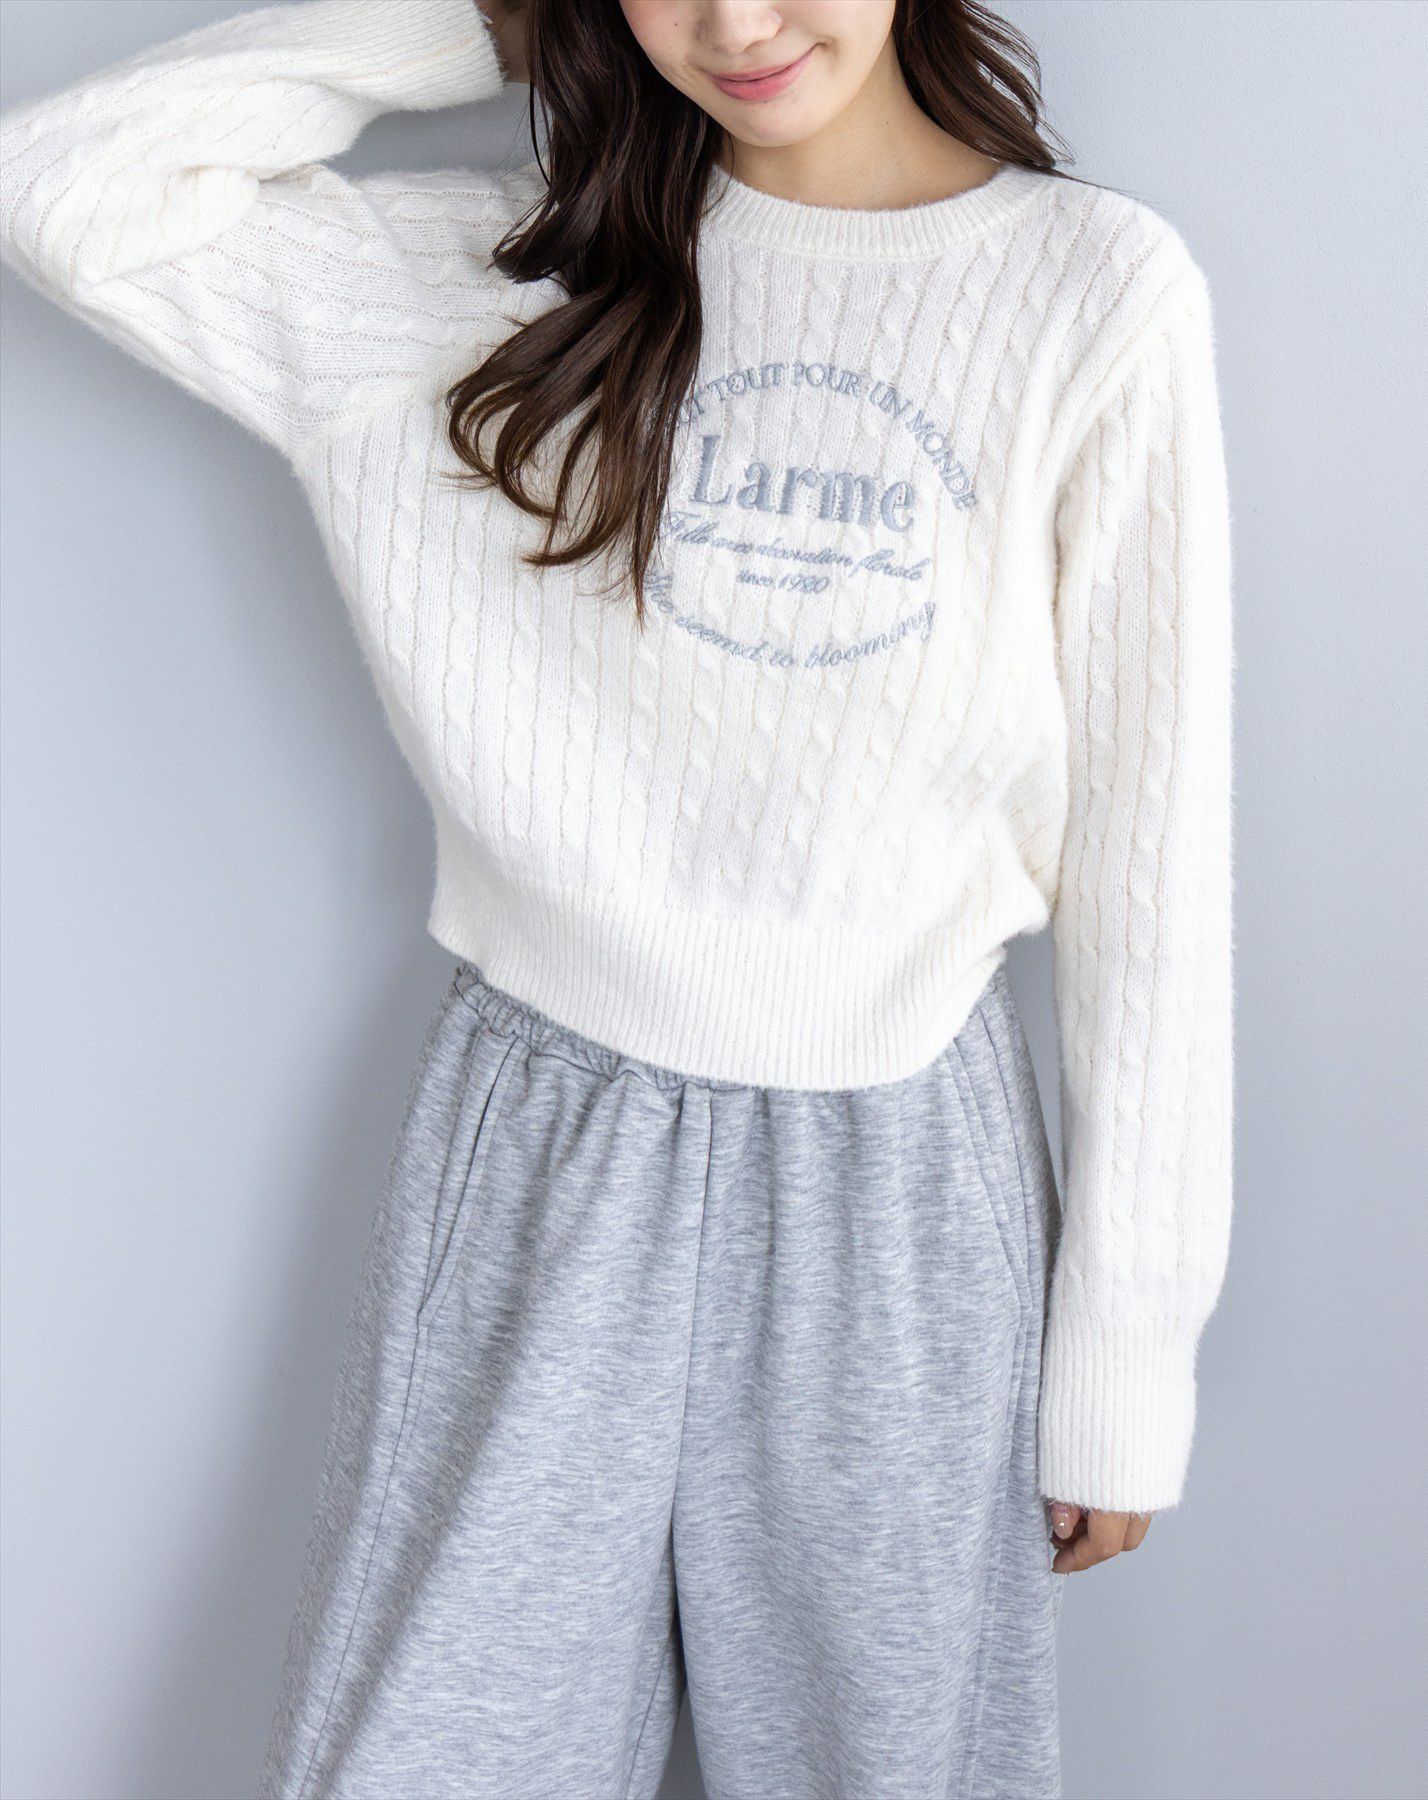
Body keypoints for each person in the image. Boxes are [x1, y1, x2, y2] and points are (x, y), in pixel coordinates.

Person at [0, 0, 1234, 1793]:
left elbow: (1153, 857)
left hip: (898, 1178)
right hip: (547, 1144)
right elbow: (60, 185)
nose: (736, 23)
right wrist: (499, 18)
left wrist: (1129, 1351)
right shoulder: (494, 278)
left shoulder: (1089, 292)